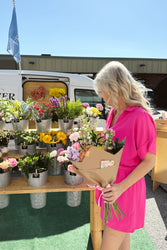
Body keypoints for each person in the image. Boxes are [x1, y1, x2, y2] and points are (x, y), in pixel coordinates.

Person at [93, 61, 156, 250]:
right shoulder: (114, 112)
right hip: (111, 187)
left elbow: (150, 160)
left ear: (115, 88)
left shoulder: (140, 117)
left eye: (103, 91)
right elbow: (112, 149)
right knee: (123, 243)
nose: (102, 97)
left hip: (125, 190)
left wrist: (120, 188)